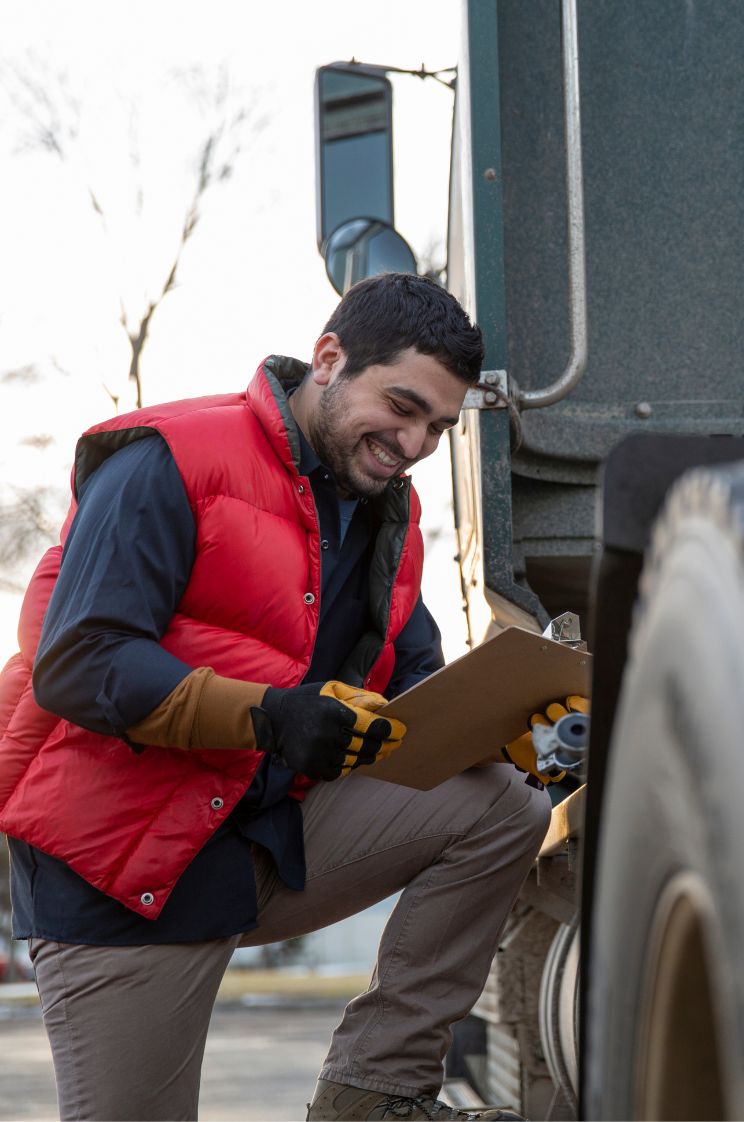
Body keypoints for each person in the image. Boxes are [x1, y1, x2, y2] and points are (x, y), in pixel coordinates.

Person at [0, 273, 553, 1122]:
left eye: (437, 427)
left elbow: (417, 696)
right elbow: (77, 660)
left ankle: (375, 1093)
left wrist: (514, 731)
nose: (413, 444)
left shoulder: (385, 523)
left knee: (501, 804)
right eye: (401, 407)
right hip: (126, 871)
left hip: (265, 842)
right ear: (329, 359)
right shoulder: (167, 459)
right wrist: (268, 714)